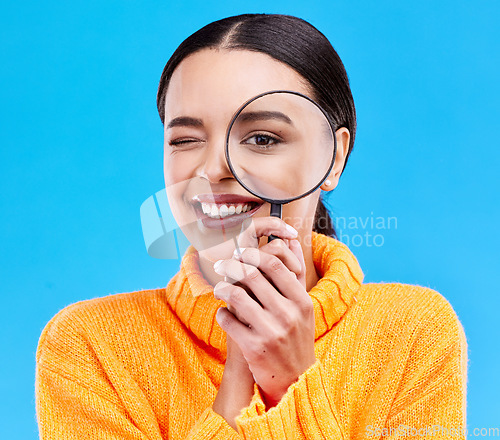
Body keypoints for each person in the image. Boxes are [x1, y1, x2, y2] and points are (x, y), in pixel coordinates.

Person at [35, 13, 468, 439]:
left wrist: (292, 381)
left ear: (333, 158)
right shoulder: (89, 346)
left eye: (262, 138)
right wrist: (239, 377)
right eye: (185, 139)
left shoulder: (414, 334)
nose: (215, 168)